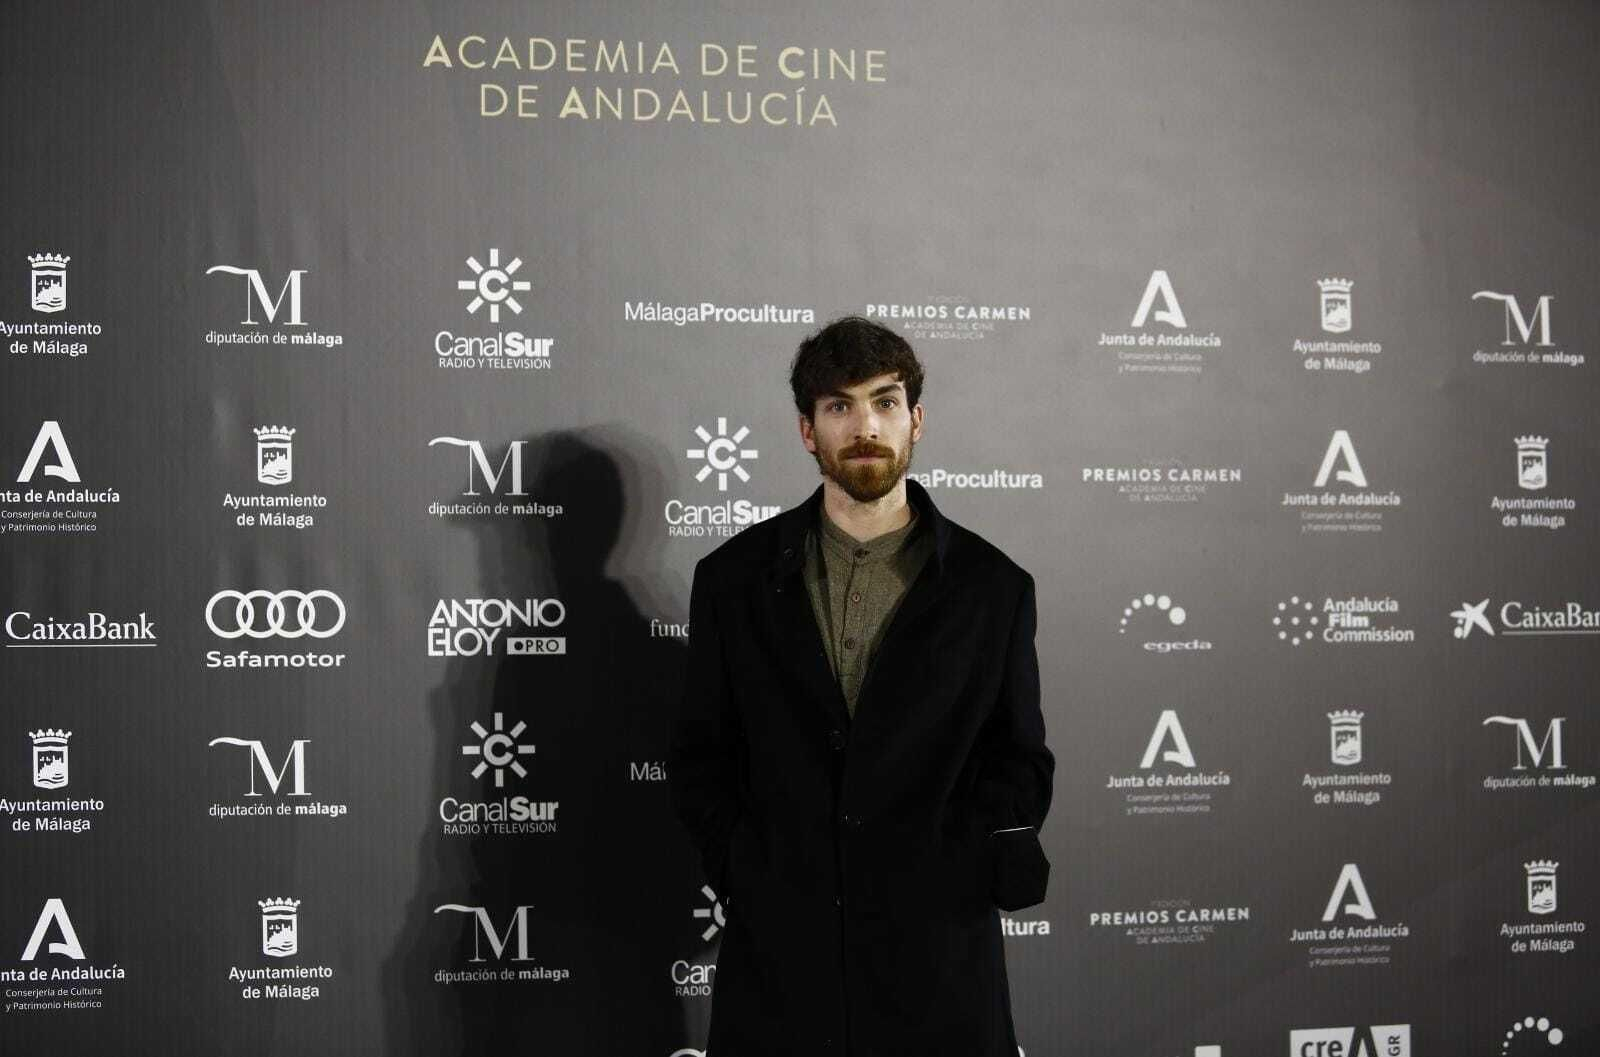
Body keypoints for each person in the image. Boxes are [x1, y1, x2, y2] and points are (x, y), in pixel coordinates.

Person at [669, 315, 1054, 1056]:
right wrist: (745, 867)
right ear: (808, 431)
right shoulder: (732, 581)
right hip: (780, 971)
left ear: (917, 420)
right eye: (839, 406)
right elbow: (699, 755)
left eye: (884, 401)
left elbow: (1021, 758)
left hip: (939, 968)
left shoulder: (993, 589)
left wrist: (966, 859)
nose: (865, 425)